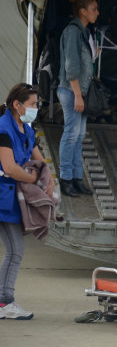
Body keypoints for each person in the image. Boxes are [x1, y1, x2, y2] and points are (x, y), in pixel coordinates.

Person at [0, 84, 55, 320]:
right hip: (4, 197)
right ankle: (5, 302)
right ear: (17, 104)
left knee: (14, 251)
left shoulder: (26, 129)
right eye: (32, 104)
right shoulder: (4, 128)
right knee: (15, 250)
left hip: (12, 198)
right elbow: (10, 167)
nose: (35, 108)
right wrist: (34, 178)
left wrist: (49, 180)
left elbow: (39, 160)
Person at [57, 0, 99, 198]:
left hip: (78, 91)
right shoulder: (73, 32)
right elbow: (71, 66)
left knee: (79, 136)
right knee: (71, 134)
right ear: (82, 11)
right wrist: (77, 95)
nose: (97, 13)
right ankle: (66, 179)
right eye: (93, 9)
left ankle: (76, 178)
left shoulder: (83, 32)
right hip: (71, 90)